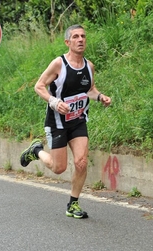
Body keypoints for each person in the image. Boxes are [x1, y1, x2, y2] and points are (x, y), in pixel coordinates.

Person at [20, 24, 111, 219]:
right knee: (58, 167)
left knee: (81, 162)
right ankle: (36, 151)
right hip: (57, 123)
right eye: (76, 37)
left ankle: (73, 204)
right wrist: (54, 102)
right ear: (67, 42)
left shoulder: (89, 66)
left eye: (83, 36)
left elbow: (90, 90)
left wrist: (101, 96)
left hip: (78, 120)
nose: (80, 40)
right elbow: (39, 86)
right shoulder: (58, 64)